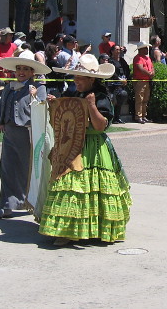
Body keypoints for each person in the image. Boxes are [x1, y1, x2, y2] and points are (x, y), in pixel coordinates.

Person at [40, 54, 132, 246]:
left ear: (91, 79)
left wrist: (91, 105)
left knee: (93, 189)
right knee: (70, 186)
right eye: (75, 77)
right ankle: (67, 230)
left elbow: (100, 126)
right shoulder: (76, 94)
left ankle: (96, 229)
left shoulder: (102, 98)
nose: (76, 81)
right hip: (73, 145)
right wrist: (55, 103)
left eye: (80, 78)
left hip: (94, 147)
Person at [0, 50, 51, 219]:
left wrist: (34, 97)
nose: (21, 72)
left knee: (29, 169)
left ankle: (30, 202)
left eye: (26, 69)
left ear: (33, 72)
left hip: (28, 133)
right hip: (10, 132)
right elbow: (2, 105)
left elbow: (42, 109)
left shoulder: (38, 88)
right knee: (7, 168)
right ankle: (6, 205)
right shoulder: (9, 87)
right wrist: (1, 121)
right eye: (18, 68)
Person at [132, 41, 154, 123]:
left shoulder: (148, 58)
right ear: (140, 49)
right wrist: (149, 74)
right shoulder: (138, 58)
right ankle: (138, 116)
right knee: (139, 99)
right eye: (145, 48)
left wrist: (152, 73)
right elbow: (140, 68)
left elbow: (152, 67)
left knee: (145, 99)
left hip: (147, 81)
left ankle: (144, 115)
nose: (147, 49)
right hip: (140, 81)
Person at [107, 44, 130, 124]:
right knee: (113, 101)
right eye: (116, 49)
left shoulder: (122, 60)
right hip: (112, 85)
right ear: (112, 51)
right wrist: (119, 79)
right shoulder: (110, 61)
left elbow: (127, 69)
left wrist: (126, 78)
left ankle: (118, 117)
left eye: (119, 49)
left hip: (121, 84)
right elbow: (111, 72)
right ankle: (112, 117)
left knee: (122, 97)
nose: (118, 51)